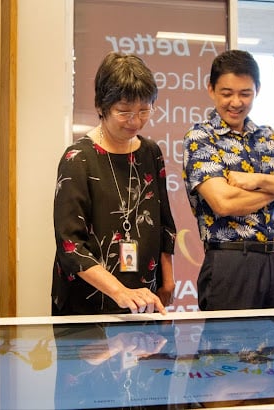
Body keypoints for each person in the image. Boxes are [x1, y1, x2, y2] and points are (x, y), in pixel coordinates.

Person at [182, 49, 274, 311]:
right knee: (226, 349)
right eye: (227, 93)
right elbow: (225, 202)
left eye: (245, 93)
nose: (236, 102)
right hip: (230, 262)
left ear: (257, 90)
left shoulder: (268, 137)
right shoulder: (200, 138)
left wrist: (256, 180)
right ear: (211, 89)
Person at [52, 51, 177, 316]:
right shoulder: (78, 159)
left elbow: (165, 220)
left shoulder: (150, 152)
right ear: (101, 106)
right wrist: (119, 292)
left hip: (142, 297)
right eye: (124, 112)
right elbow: (70, 245)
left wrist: (168, 279)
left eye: (144, 110)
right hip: (88, 302)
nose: (135, 121)